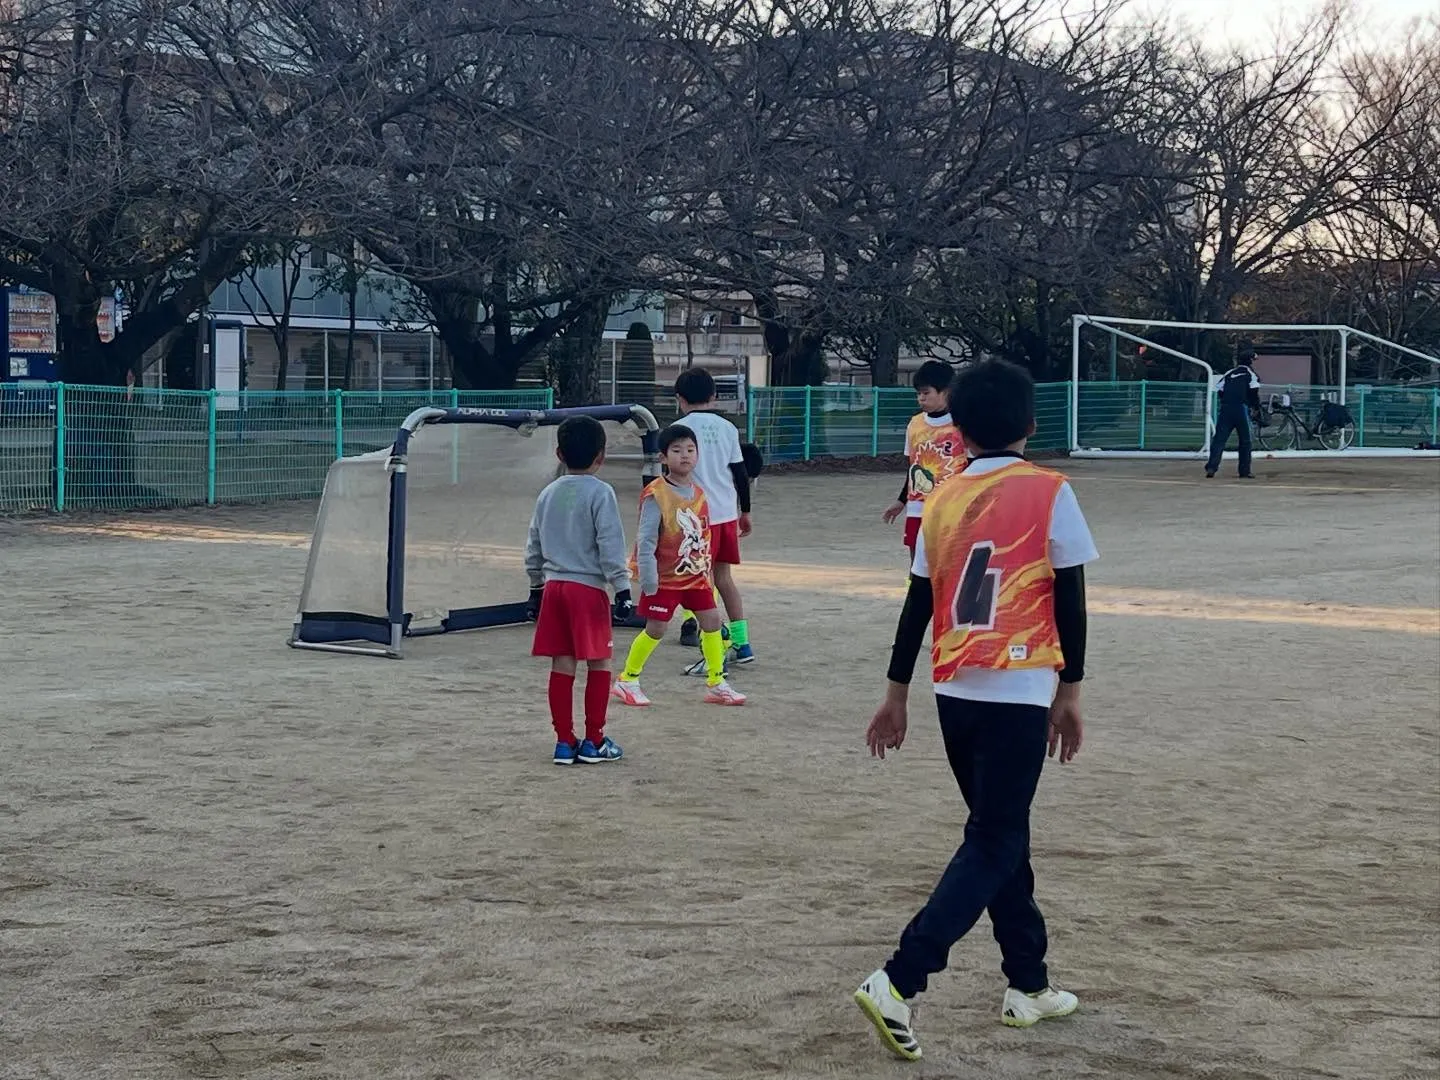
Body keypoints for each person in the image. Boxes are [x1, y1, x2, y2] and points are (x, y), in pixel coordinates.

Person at [853, 358, 1097, 1061]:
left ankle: (1028, 983)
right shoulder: (1050, 490)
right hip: (1018, 686)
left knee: (998, 834)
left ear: (955, 428)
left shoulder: (946, 497)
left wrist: (896, 691)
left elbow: (916, 604)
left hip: (953, 687)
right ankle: (900, 978)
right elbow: (1070, 597)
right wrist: (1070, 691)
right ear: (1031, 422)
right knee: (995, 838)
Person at [524, 415, 634, 766]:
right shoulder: (601, 493)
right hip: (588, 589)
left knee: (563, 662)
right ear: (601, 456)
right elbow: (610, 543)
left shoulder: (547, 492)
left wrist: (535, 584)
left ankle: (563, 741)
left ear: (559, 453)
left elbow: (534, 542)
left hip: (555, 587)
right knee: (600, 661)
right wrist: (622, 588)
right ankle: (594, 741)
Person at [612, 425, 747, 707]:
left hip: (695, 576)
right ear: (663, 457)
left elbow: (702, 534)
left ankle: (716, 681)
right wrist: (648, 579)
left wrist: (705, 569)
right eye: (676, 450)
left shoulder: (699, 493)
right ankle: (627, 679)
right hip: (664, 579)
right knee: (657, 629)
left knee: (711, 621)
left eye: (690, 450)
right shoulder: (656, 494)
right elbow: (646, 538)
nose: (685, 456)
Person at [671, 369, 756, 663]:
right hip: (725, 513)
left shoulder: (678, 430)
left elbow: (670, 475)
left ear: (679, 399)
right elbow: (740, 474)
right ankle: (743, 645)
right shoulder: (728, 428)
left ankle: (715, 640)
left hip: (695, 517)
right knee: (724, 579)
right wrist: (745, 511)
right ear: (714, 396)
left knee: (696, 581)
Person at [882, 360, 967, 556]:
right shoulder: (915, 424)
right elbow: (913, 467)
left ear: (945, 392)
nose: (920, 398)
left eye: (926, 393)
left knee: (949, 561)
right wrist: (901, 501)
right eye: (918, 394)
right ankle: (913, 588)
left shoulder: (962, 424)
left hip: (952, 507)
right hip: (918, 507)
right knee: (917, 564)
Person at [1205, 346, 1262, 478]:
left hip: (1226, 408)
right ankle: (1244, 470)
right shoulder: (1251, 375)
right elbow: (1254, 393)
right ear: (1250, 361)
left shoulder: (1229, 373)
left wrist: (1226, 400)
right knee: (1245, 441)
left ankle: (1211, 467)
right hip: (1241, 409)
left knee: (1219, 439)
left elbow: (1220, 389)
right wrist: (1256, 408)